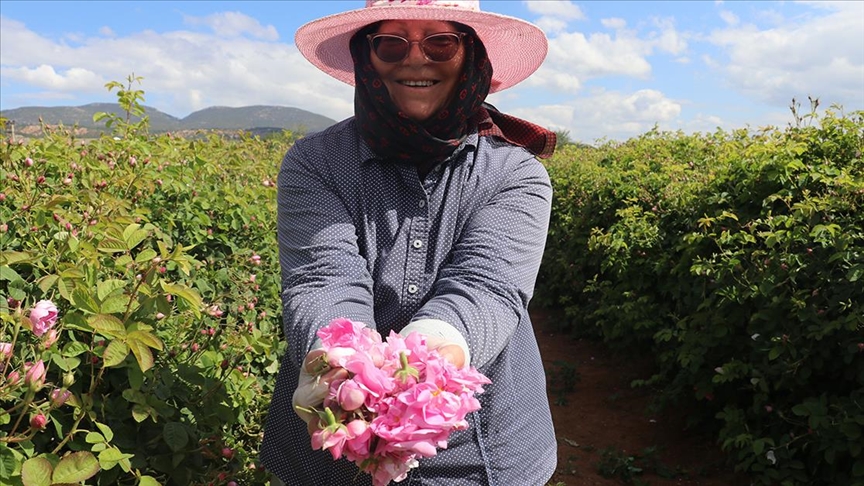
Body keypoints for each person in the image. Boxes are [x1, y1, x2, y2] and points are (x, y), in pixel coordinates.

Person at [260, 1, 558, 484]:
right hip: (335, 449)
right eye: (391, 43)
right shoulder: (316, 163)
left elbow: (486, 286)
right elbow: (324, 277)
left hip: (481, 453)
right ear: (367, 57)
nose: (415, 59)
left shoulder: (515, 173)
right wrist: (342, 371)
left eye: (441, 41)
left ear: (471, 55)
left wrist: (430, 359)